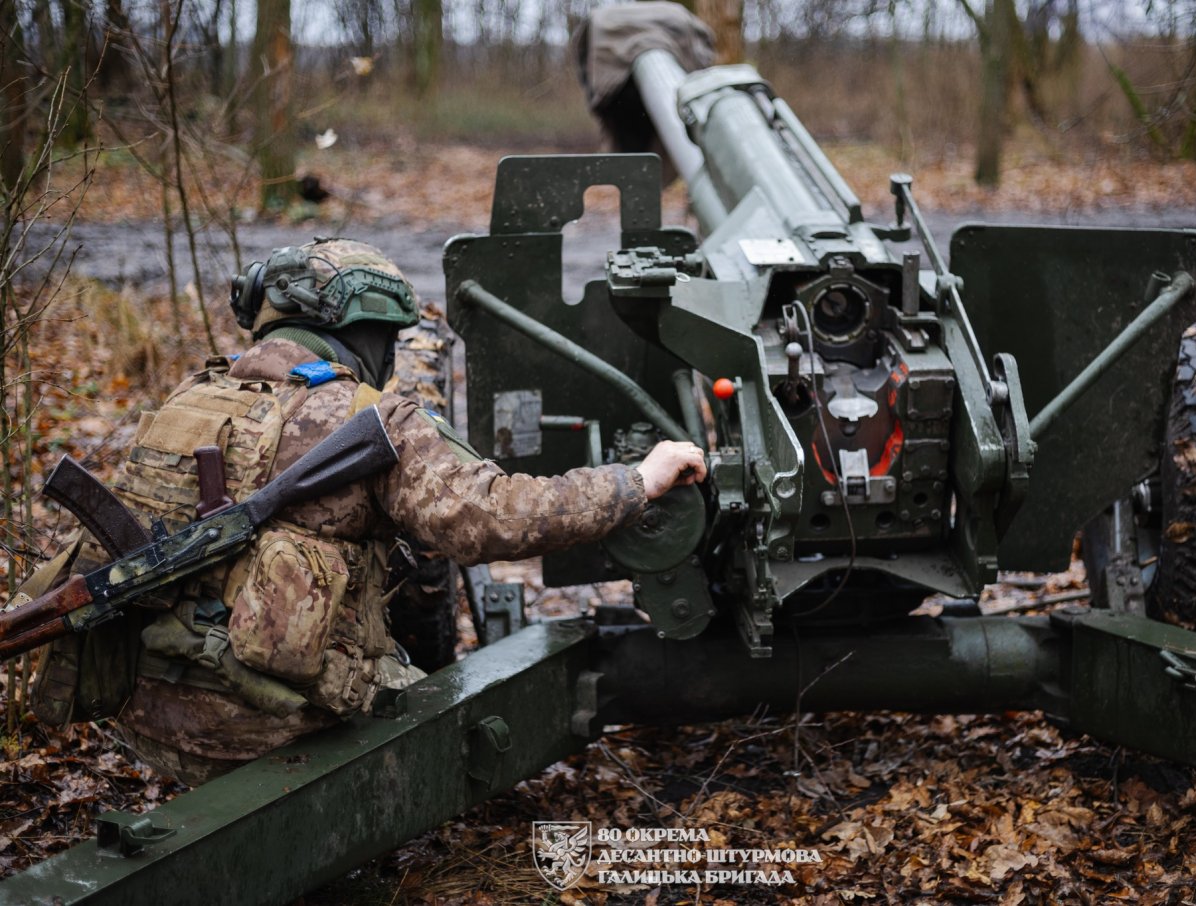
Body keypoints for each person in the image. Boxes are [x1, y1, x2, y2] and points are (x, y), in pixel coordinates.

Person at [27, 238, 706, 785]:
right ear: (361, 335)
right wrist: (636, 481)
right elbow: (495, 516)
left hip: (148, 729)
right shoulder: (366, 420)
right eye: (387, 339)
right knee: (435, 705)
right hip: (263, 736)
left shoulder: (185, 402)